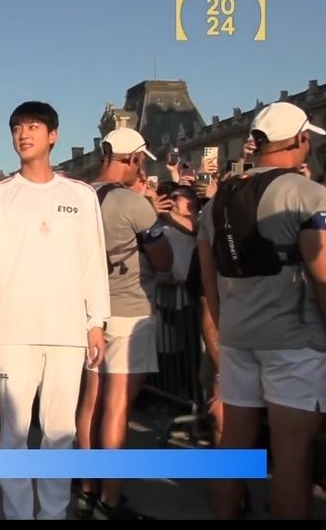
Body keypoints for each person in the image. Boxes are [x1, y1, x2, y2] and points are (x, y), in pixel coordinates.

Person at [0, 101, 109, 520]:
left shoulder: (81, 195)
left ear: (53, 135)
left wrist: (96, 322)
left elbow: (94, 261)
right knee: (14, 435)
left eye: (33, 126)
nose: (23, 133)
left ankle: (52, 513)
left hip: (68, 332)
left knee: (59, 433)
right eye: (17, 127)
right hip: (12, 332)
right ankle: (18, 514)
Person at [198, 102, 326, 519]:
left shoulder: (215, 203)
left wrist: (223, 329)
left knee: (234, 445)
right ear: (302, 141)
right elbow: (323, 277)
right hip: (294, 340)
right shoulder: (307, 195)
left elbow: (209, 281)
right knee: (293, 456)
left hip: (237, 336)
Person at [75, 127, 171, 520]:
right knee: (117, 404)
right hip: (129, 309)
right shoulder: (133, 204)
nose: (142, 167)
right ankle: (110, 498)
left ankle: (84, 487)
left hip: (86, 312)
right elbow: (164, 261)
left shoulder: (79, 197)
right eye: (141, 160)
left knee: (90, 400)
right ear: (132, 160)